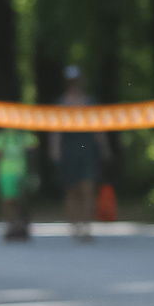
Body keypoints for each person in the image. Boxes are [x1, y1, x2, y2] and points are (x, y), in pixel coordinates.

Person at [55, 66, 109, 241]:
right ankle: (75, 228)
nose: (74, 84)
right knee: (72, 190)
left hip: (87, 149)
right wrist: (55, 151)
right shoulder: (61, 104)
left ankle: (86, 227)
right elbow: (55, 131)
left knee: (88, 188)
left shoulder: (90, 102)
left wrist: (104, 148)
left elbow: (98, 128)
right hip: (69, 150)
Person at [0, 127, 34, 240]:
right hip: (5, 173)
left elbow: (33, 145)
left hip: (20, 172)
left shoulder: (22, 136)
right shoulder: (0, 137)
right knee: (8, 201)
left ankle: (22, 226)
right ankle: (11, 226)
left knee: (20, 201)